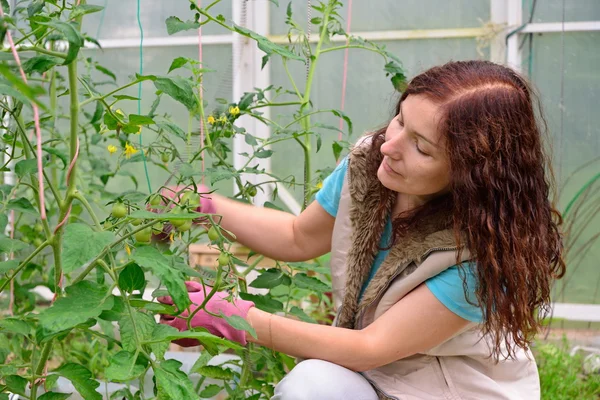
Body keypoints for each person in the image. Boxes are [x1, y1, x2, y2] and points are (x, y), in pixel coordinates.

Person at [157, 60, 565, 399]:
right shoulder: (373, 167)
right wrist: (204, 205)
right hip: (372, 376)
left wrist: (237, 318)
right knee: (312, 387)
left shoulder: (482, 253)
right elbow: (299, 236)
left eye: (421, 147)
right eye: (400, 120)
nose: (390, 145)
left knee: (313, 386)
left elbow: (371, 347)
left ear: (471, 174)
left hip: (450, 391)